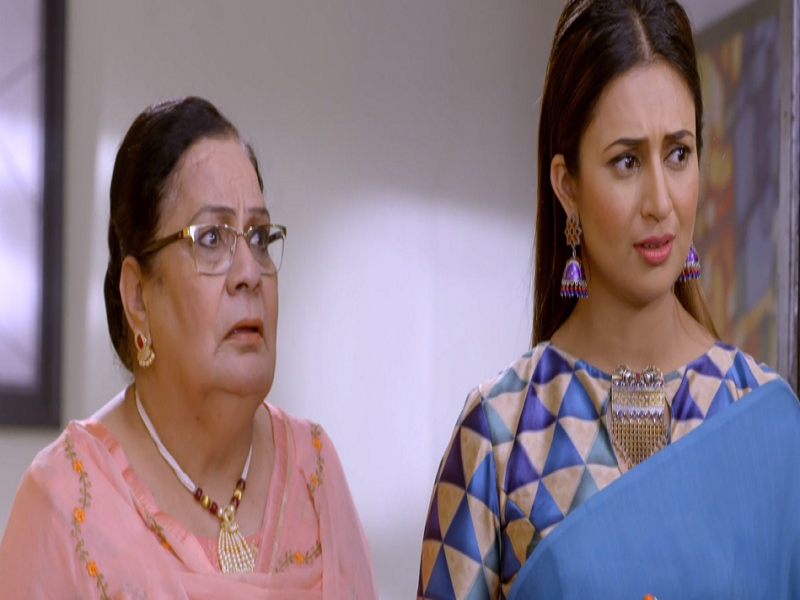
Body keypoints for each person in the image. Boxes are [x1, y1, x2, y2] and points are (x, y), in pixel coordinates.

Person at [416, 1, 800, 599]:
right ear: (567, 186)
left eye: (678, 154)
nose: (661, 202)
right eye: (626, 161)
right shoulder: (499, 437)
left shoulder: (762, 418)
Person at [0, 97, 378, 599]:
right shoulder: (66, 504)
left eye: (259, 237)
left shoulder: (316, 471)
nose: (249, 273)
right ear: (138, 297)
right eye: (211, 239)